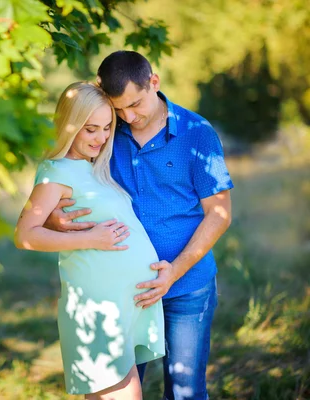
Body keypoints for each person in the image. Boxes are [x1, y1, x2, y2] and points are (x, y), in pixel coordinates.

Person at [44, 51, 234, 400]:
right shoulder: (106, 132)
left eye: (136, 104)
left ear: (154, 83)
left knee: (185, 391)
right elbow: (65, 184)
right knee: (122, 388)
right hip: (123, 292)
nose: (129, 117)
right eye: (119, 109)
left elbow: (219, 213)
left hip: (186, 287)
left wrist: (173, 271)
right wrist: (56, 220)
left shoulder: (197, 134)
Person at [15, 82, 165, 399]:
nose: (100, 138)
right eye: (90, 129)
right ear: (70, 126)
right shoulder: (56, 170)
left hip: (121, 304)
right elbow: (25, 235)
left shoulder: (93, 168)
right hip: (97, 307)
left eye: (107, 128)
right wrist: (91, 238)